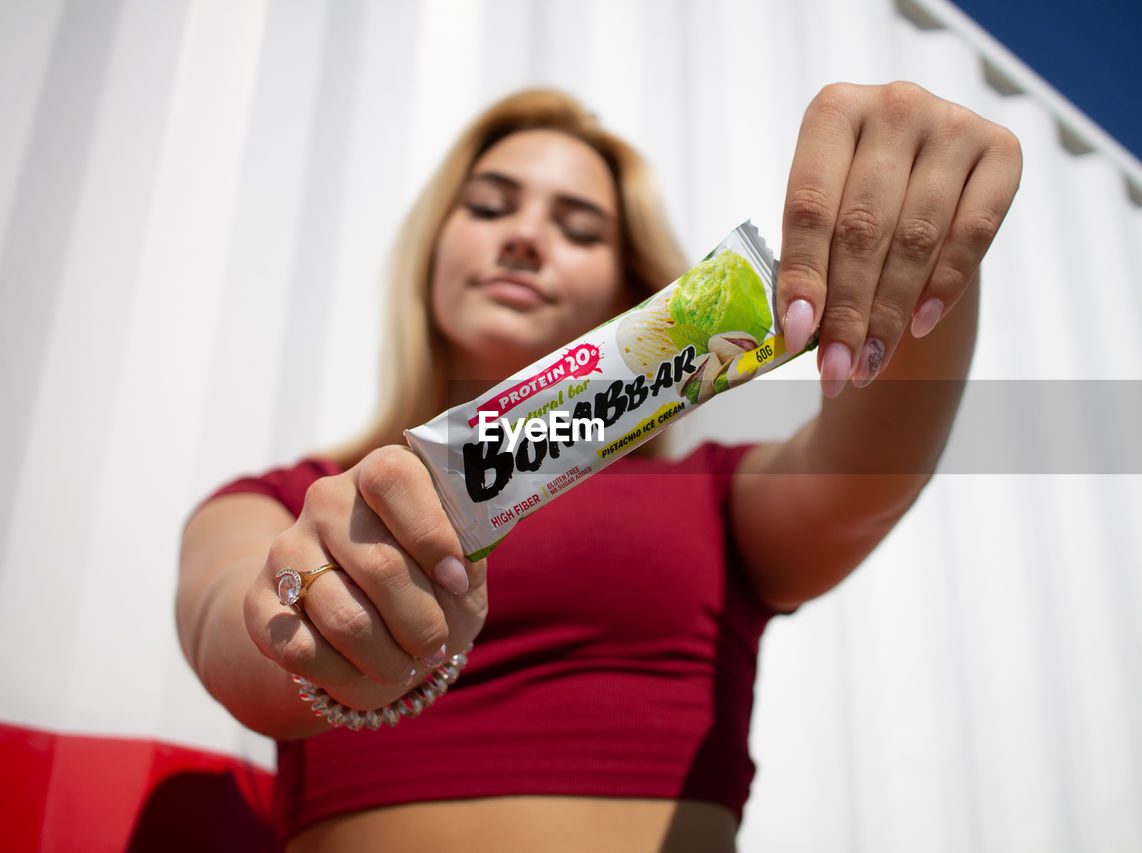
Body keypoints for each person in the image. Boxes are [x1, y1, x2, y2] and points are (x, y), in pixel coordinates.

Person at [177, 84, 1021, 851]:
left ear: (630, 285)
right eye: (489, 206)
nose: (526, 236)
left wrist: (925, 253)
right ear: (433, 246)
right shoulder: (286, 499)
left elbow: (868, 483)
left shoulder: (716, 498)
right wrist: (322, 619)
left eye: (580, 227)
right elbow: (229, 635)